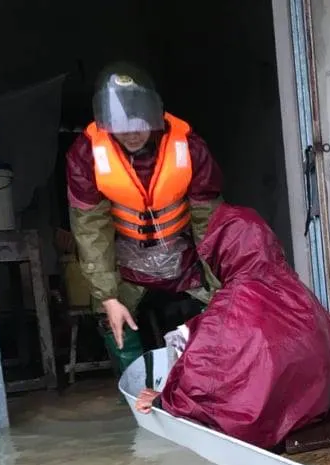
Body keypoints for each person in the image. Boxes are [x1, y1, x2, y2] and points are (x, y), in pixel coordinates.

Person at [134, 204, 330, 450]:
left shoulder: (230, 306)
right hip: (315, 409)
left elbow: (202, 386)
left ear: (221, 253)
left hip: (266, 428)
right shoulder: (299, 291)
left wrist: (164, 401)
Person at [66, 61, 222, 359]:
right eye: (121, 127)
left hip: (184, 256)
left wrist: (218, 286)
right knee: (110, 316)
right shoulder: (85, 154)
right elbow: (90, 229)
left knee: (219, 311)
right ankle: (140, 392)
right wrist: (108, 296)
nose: (131, 133)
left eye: (139, 123)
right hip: (126, 259)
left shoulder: (190, 146)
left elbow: (210, 221)